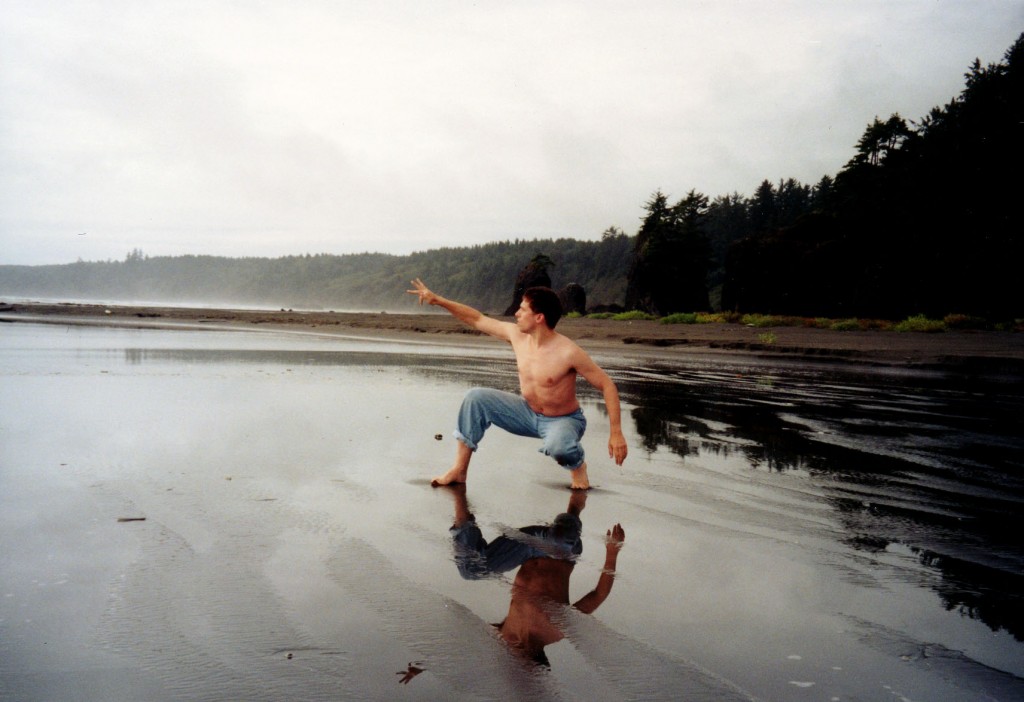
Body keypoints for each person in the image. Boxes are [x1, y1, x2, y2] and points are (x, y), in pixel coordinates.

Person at [407, 278, 627, 489]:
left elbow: (607, 385)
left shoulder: (568, 352)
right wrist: (438, 300)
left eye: (523, 310)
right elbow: (477, 319)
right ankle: (459, 470)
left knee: (559, 447)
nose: (516, 313)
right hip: (526, 413)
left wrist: (616, 432)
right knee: (476, 398)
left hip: (563, 420)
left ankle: (578, 466)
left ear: (539, 317)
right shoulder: (517, 336)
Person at [442, 485, 625, 666]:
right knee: (559, 539)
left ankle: (458, 493)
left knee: (470, 570)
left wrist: (430, 661)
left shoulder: (506, 636)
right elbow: (599, 595)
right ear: (538, 662)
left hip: (524, 549)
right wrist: (612, 552)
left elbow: (465, 643)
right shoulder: (558, 631)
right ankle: (575, 507)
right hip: (560, 551)